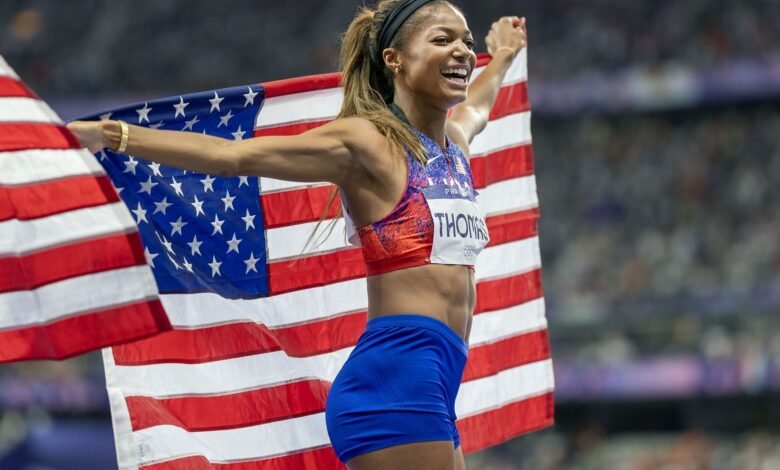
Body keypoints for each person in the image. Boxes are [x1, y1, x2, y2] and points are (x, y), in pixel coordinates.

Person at [68, 1, 526, 468]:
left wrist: (504, 55)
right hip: (397, 379)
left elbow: (478, 105)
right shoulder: (367, 143)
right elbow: (233, 158)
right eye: (443, 40)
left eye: (467, 42)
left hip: (437, 379)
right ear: (394, 59)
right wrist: (114, 135)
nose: (462, 52)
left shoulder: (454, 148)